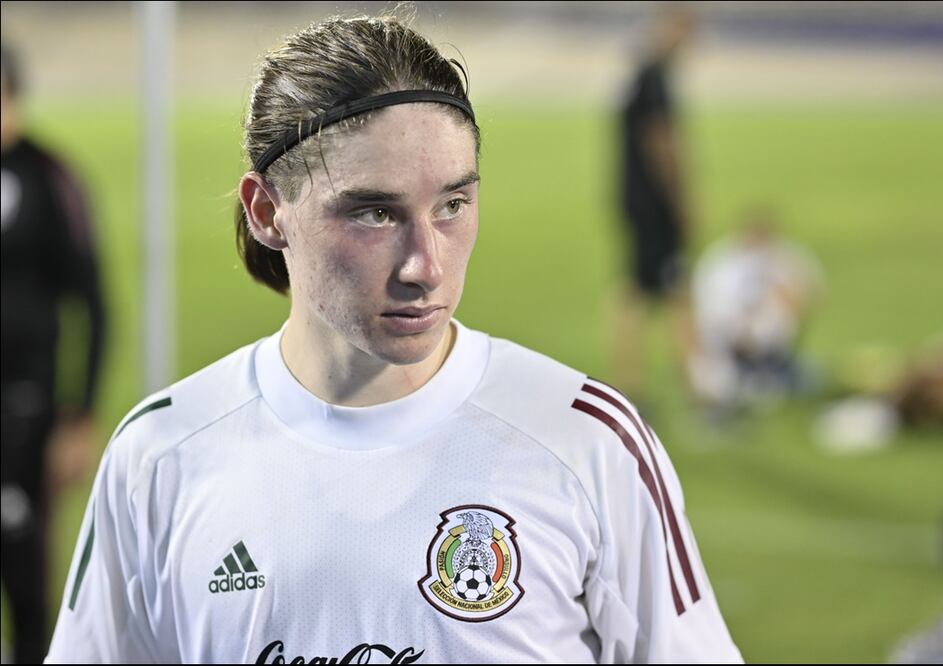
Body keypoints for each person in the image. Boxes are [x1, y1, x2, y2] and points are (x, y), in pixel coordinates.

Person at [46, 15, 742, 663]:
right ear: (266, 212)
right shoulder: (160, 457)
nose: (426, 266)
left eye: (451, 205)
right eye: (374, 213)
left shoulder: (588, 441)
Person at [1, 43, 107, 664]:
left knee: (25, 570)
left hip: (27, 413)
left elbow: (93, 306)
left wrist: (79, 415)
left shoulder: (50, 177)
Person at [610, 8, 696, 405]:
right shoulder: (654, 78)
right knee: (662, 292)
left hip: (635, 201)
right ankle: (690, 389)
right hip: (654, 206)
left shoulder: (638, 75)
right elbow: (662, 143)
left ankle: (643, 383)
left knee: (648, 292)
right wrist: (682, 201)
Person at [688, 206, 822, 411]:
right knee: (718, 386)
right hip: (724, 349)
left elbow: (807, 298)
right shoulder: (720, 264)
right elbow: (709, 316)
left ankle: (772, 372)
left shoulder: (781, 257)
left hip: (769, 350)